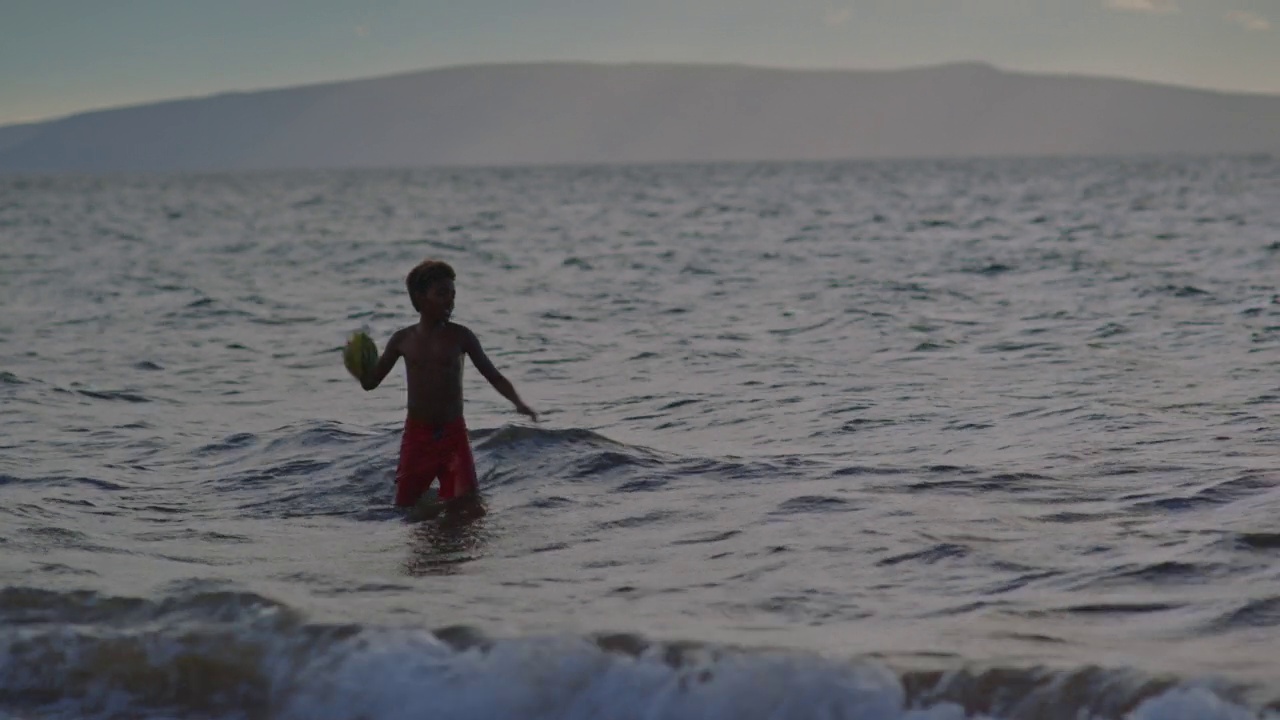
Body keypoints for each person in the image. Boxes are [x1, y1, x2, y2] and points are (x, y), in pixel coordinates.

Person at [349, 259, 537, 516]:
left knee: (470, 510)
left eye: (452, 294)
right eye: (441, 294)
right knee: (405, 509)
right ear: (420, 298)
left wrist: (518, 403)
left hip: (453, 435)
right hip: (417, 437)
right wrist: (359, 367)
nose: (449, 301)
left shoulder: (461, 337)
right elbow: (371, 384)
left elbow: (493, 375)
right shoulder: (402, 340)